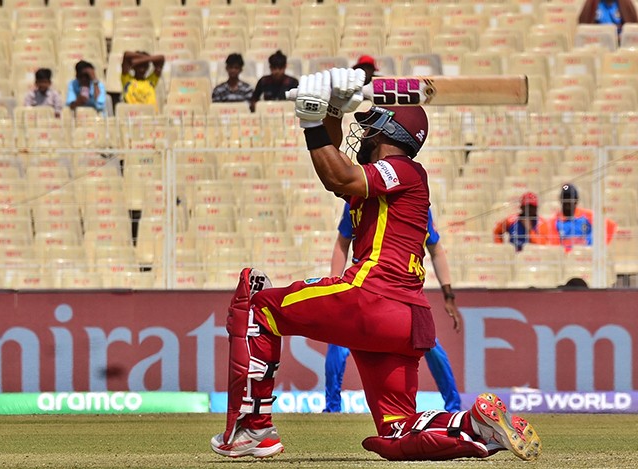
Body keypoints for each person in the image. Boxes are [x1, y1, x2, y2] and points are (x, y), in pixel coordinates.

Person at [210, 68, 541, 462]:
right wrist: (330, 108)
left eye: (371, 128)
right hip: (409, 320)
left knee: (258, 306)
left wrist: (313, 119)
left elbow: (342, 175)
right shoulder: (389, 179)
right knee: (397, 429)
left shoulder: (402, 169)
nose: (362, 134)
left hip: (374, 297)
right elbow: (335, 176)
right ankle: (474, 427)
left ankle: (251, 429)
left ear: (390, 134)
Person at [323, 203, 462, 414]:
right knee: (338, 339)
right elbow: (342, 243)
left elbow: (436, 249)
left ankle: (454, 408)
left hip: (402, 289)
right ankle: (332, 409)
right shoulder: (357, 199)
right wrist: (334, 283)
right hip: (364, 286)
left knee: (430, 344)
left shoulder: (418, 205)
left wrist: (449, 295)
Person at [545, 183, 617, 252]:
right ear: (560, 200)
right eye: (565, 198)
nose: (567, 202)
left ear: (576, 200)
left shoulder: (588, 215)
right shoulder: (554, 221)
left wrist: (593, 243)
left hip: (587, 258)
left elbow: (610, 226)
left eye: (571, 198)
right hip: (567, 261)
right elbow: (556, 248)